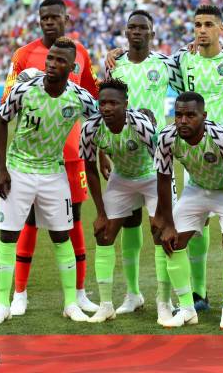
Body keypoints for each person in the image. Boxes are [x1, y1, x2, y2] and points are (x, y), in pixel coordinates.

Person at [0, 37, 97, 325]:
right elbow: (1, 121)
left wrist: (102, 152)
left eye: (60, 61)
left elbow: (100, 121)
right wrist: (1, 169)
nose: (52, 65)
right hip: (19, 170)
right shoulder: (24, 90)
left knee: (62, 235)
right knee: (8, 235)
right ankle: (3, 305)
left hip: (53, 173)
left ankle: (71, 304)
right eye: (50, 59)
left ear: (71, 67)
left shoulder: (79, 97)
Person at [104, 9, 181, 314]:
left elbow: (191, 83)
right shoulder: (114, 65)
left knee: (161, 228)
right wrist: (102, 151)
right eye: (131, 27)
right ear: (126, 32)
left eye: (143, 28)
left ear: (152, 32)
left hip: (156, 160)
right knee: (129, 225)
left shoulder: (165, 64)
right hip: (123, 160)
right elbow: (103, 107)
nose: (136, 32)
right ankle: (133, 294)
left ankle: (166, 300)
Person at [152, 91, 223, 329]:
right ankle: (187, 309)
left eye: (190, 115)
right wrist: (168, 223)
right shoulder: (166, 136)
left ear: (203, 116)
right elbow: (163, 179)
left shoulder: (221, 137)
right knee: (171, 242)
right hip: (196, 189)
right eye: (179, 115)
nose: (183, 121)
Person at [80, 78, 172, 323]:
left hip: (151, 175)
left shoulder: (140, 124)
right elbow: (89, 169)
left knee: (160, 233)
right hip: (122, 178)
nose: (107, 108)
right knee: (104, 234)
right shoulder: (90, 127)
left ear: (125, 104)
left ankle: (164, 303)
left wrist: (164, 210)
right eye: (103, 103)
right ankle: (111, 303)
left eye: (113, 103)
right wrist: (100, 212)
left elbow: (163, 164)